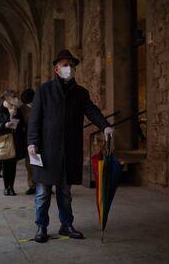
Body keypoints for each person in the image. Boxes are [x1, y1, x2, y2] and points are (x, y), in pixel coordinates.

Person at [28, 49, 114, 243]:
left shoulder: (80, 92)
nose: (69, 68)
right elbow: (35, 119)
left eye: (72, 65)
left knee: (65, 193)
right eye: (65, 65)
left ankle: (66, 225)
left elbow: (92, 111)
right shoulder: (44, 90)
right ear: (56, 68)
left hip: (68, 151)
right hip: (46, 151)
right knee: (42, 193)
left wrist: (105, 126)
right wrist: (32, 142)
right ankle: (41, 227)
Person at [0, 90, 25, 196]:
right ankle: (6, 188)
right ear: (6, 98)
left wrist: (15, 118)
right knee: (6, 166)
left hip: (15, 140)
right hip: (5, 140)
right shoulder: (0, 109)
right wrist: (4, 125)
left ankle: (12, 187)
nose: (15, 98)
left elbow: (22, 124)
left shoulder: (17, 109)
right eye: (13, 97)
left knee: (13, 166)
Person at [19, 88, 36, 195]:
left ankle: (45, 184)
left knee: (43, 163)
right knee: (30, 163)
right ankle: (32, 185)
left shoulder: (42, 105)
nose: (29, 105)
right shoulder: (22, 109)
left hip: (42, 138)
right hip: (28, 139)